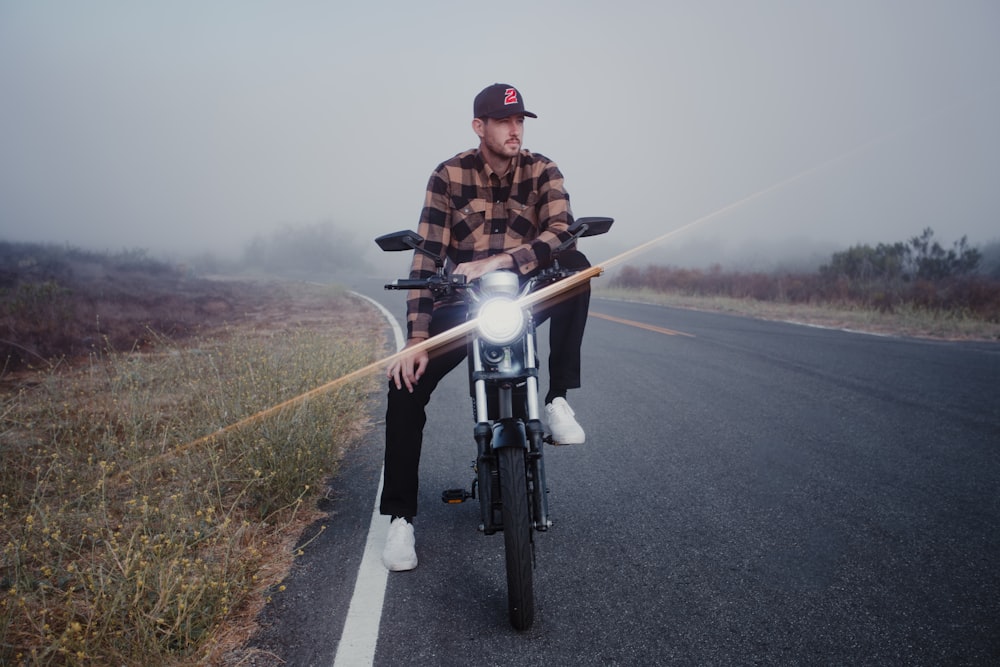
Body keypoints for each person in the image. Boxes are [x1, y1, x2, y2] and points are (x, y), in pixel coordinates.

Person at [381, 83, 594, 571]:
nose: (514, 129)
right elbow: (427, 254)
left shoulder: (544, 169)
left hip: (528, 294)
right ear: (480, 127)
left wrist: (504, 260)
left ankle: (558, 398)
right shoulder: (448, 175)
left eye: (520, 120)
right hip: (463, 304)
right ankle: (399, 522)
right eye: (503, 121)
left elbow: (561, 231)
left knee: (578, 264)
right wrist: (416, 338)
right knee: (404, 383)